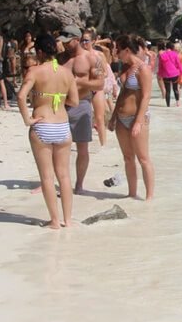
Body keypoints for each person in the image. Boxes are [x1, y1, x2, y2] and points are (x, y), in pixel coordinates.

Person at [18, 33, 79, 228]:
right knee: (64, 175)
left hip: (42, 124)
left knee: (47, 176)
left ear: (40, 52)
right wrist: (58, 99)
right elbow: (75, 101)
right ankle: (68, 220)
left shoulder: (35, 72)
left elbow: (21, 96)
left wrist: (28, 119)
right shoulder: (66, 73)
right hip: (62, 125)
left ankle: (54, 220)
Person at [112, 35, 155, 200]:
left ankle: (149, 197)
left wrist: (138, 122)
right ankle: (131, 193)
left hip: (137, 118)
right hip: (122, 118)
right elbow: (123, 93)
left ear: (127, 50)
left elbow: (145, 96)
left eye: (118, 49)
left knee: (143, 159)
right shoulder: (125, 67)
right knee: (128, 158)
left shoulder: (142, 69)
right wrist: (113, 116)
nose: (115, 52)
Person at [60, 24, 102, 192]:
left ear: (76, 40)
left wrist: (79, 81)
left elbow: (100, 83)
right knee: (57, 146)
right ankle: (59, 183)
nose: (63, 45)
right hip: (61, 106)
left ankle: (79, 185)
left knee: (82, 147)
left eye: (67, 42)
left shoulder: (91, 58)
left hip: (82, 104)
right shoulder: (61, 58)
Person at [157, 40, 182, 106]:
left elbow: (160, 66)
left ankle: (168, 105)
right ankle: (178, 102)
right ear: (172, 47)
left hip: (166, 75)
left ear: (166, 47)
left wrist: (160, 74)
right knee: (175, 88)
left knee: (167, 90)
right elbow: (179, 64)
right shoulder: (175, 54)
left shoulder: (162, 55)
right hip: (174, 74)